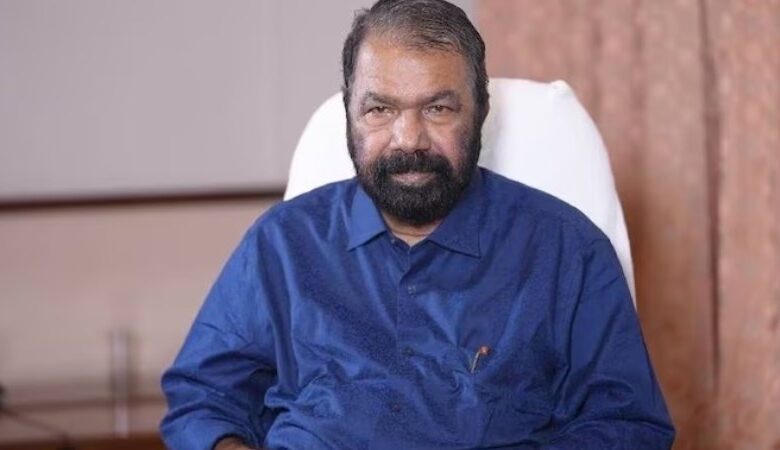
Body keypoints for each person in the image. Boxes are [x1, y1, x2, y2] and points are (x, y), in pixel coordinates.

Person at [160, 0, 675, 449]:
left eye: (438, 108)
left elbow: (627, 424)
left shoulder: (568, 251)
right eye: (380, 109)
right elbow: (203, 399)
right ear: (349, 114)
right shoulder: (281, 244)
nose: (409, 139)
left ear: (480, 112)